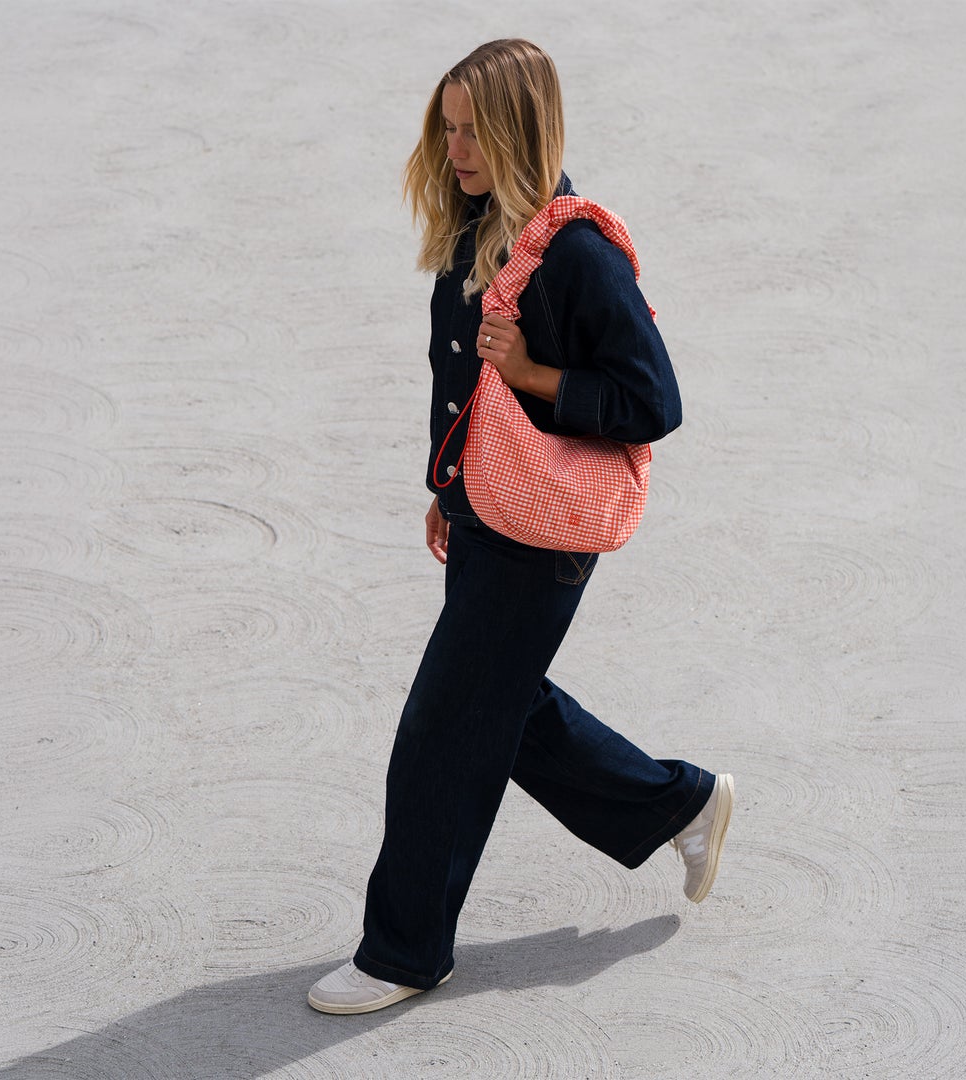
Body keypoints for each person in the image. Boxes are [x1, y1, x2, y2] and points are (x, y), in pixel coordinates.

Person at [307, 39, 735, 1016]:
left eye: (473, 132)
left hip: (543, 536)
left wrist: (536, 373)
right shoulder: (476, 229)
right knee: (501, 707)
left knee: (442, 728)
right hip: (485, 509)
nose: (455, 149)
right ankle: (680, 804)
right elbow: (461, 378)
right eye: (447, 129)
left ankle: (404, 950)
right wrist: (449, 483)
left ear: (520, 132)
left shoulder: (577, 255)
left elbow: (653, 400)